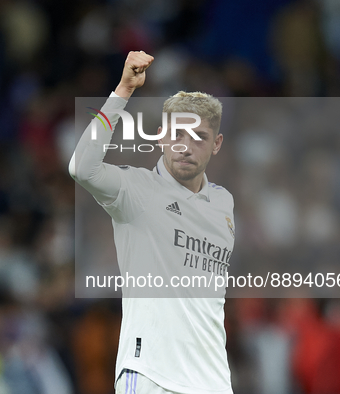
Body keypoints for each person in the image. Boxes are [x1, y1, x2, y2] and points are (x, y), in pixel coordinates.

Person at [69, 51, 235, 394]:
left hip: (213, 383)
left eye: (199, 137)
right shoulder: (138, 190)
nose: (186, 147)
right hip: (152, 375)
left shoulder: (223, 203)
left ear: (216, 145)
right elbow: (81, 168)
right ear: (160, 136)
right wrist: (123, 91)